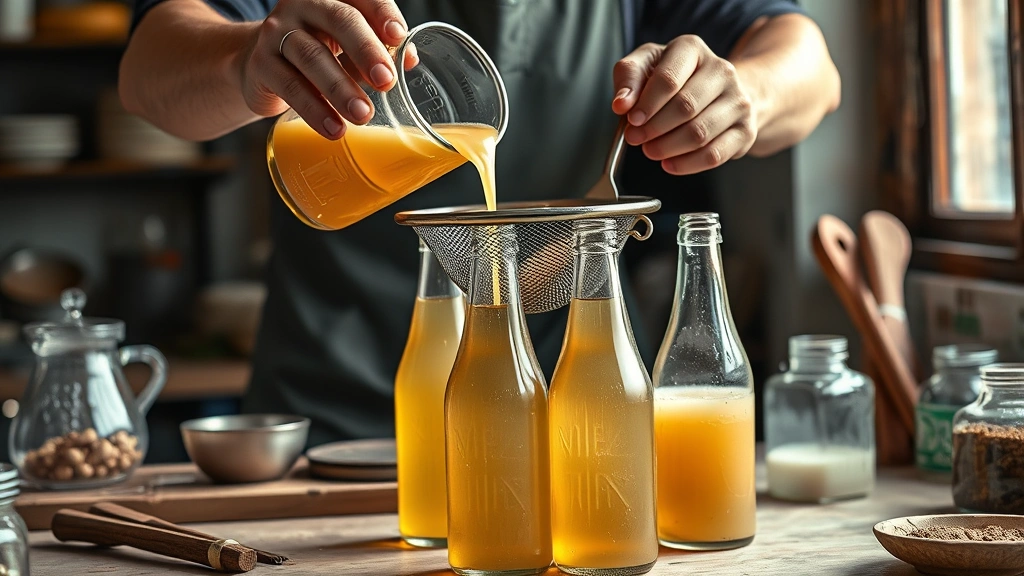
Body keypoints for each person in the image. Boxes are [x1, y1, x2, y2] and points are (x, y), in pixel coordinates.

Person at [120, 0, 841, 447]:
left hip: (577, 426)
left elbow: (811, 67)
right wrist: (245, 58)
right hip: (335, 426)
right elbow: (148, 69)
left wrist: (751, 91)